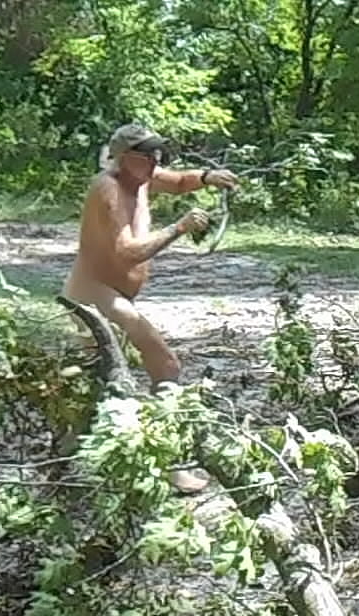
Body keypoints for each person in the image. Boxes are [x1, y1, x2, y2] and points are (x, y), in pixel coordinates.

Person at [62, 123, 239, 494]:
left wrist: (208, 177)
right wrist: (178, 229)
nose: (155, 163)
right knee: (165, 363)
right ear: (125, 158)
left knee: (92, 384)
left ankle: (81, 468)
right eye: (148, 156)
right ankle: (169, 465)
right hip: (95, 295)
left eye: (158, 154)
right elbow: (126, 252)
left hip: (114, 295)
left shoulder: (141, 178)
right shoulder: (109, 190)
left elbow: (176, 182)